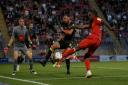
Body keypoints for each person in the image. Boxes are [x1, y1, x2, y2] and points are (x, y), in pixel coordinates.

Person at [56, 9, 113, 78]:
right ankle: (88, 72)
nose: (88, 16)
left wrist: (110, 28)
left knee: (76, 48)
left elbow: (103, 21)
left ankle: (62, 57)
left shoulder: (96, 19)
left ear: (93, 14)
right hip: (98, 42)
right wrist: (75, 26)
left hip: (93, 38)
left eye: (89, 15)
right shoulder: (92, 23)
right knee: (86, 56)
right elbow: (83, 27)